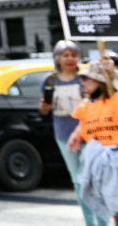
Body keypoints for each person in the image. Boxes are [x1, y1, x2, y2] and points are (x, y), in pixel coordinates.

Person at [38, 40, 101, 226]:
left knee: (94, 179)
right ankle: (90, 221)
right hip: (64, 135)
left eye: (73, 55)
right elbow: (43, 109)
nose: (70, 59)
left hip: (90, 133)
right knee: (78, 180)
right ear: (57, 58)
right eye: (66, 55)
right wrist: (43, 107)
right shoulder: (50, 80)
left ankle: (102, 220)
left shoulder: (85, 77)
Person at [67, 57, 118, 225]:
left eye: (86, 78)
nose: (82, 82)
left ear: (100, 80)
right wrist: (76, 134)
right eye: (81, 78)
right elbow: (84, 121)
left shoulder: (115, 100)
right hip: (98, 163)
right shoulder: (86, 104)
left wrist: (114, 73)